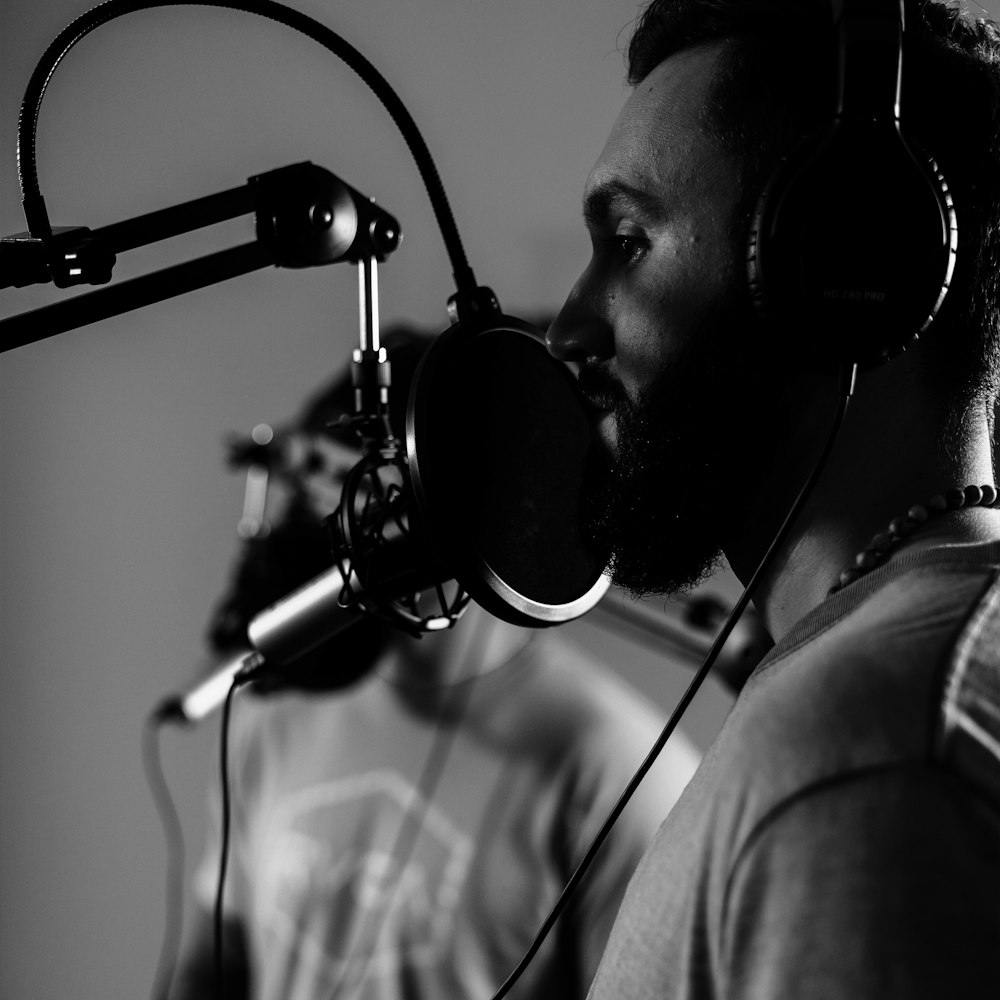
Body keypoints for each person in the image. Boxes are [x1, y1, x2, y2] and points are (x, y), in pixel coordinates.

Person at [545, 0, 1000, 997]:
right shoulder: (868, 689)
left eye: (625, 241)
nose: (567, 329)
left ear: (842, 262)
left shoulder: (866, 747)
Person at [169, 327, 702, 1000]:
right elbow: (215, 965)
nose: (317, 534)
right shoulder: (273, 712)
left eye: (349, 499)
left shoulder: (621, 778)